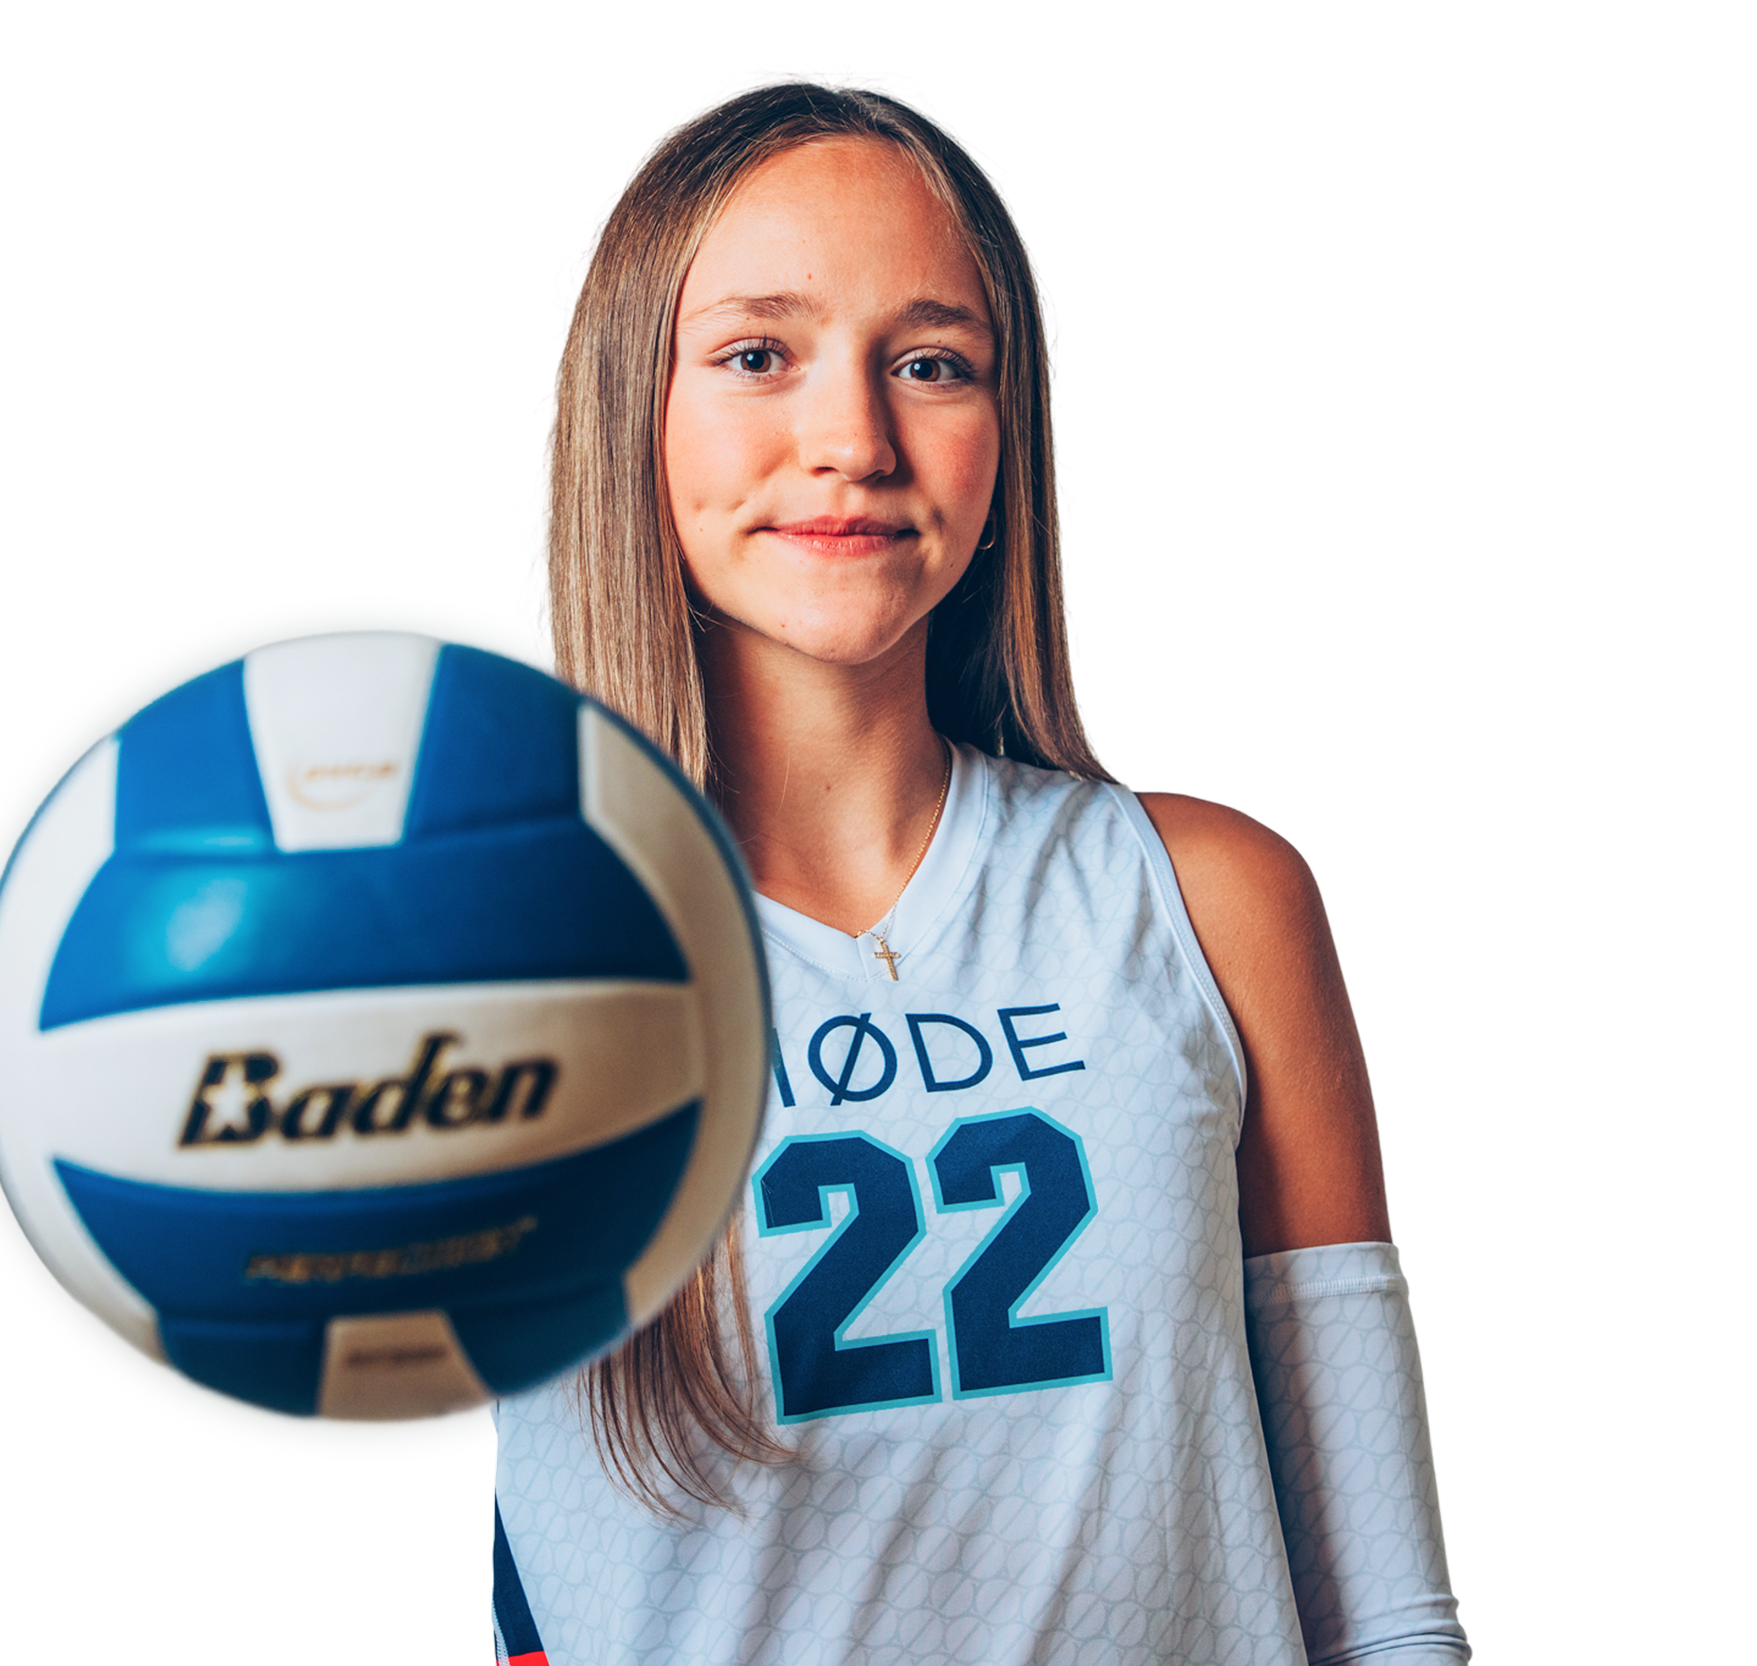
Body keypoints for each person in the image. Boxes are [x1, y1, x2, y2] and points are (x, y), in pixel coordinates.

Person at [491, 66, 1468, 1665]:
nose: (855, 438)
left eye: (933, 363)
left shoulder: (1210, 899)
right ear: (629, 411)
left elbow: (1389, 1607)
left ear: (1006, 432)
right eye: (757, 353)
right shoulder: (497, 961)